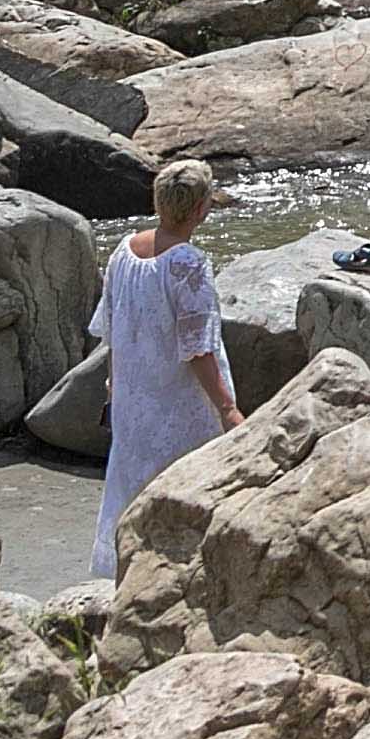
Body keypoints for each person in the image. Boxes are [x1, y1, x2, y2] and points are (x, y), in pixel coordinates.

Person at [92, 158, 242, 577]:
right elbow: (198, 348)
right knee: (187, 496)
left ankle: (127, 576)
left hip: (133, 396)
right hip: (180, 404)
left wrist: (112, 384)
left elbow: (111, 327)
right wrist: (228, 410)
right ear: (200, 210)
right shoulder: (187, 262)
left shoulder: (123, 252)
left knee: (133, 492)